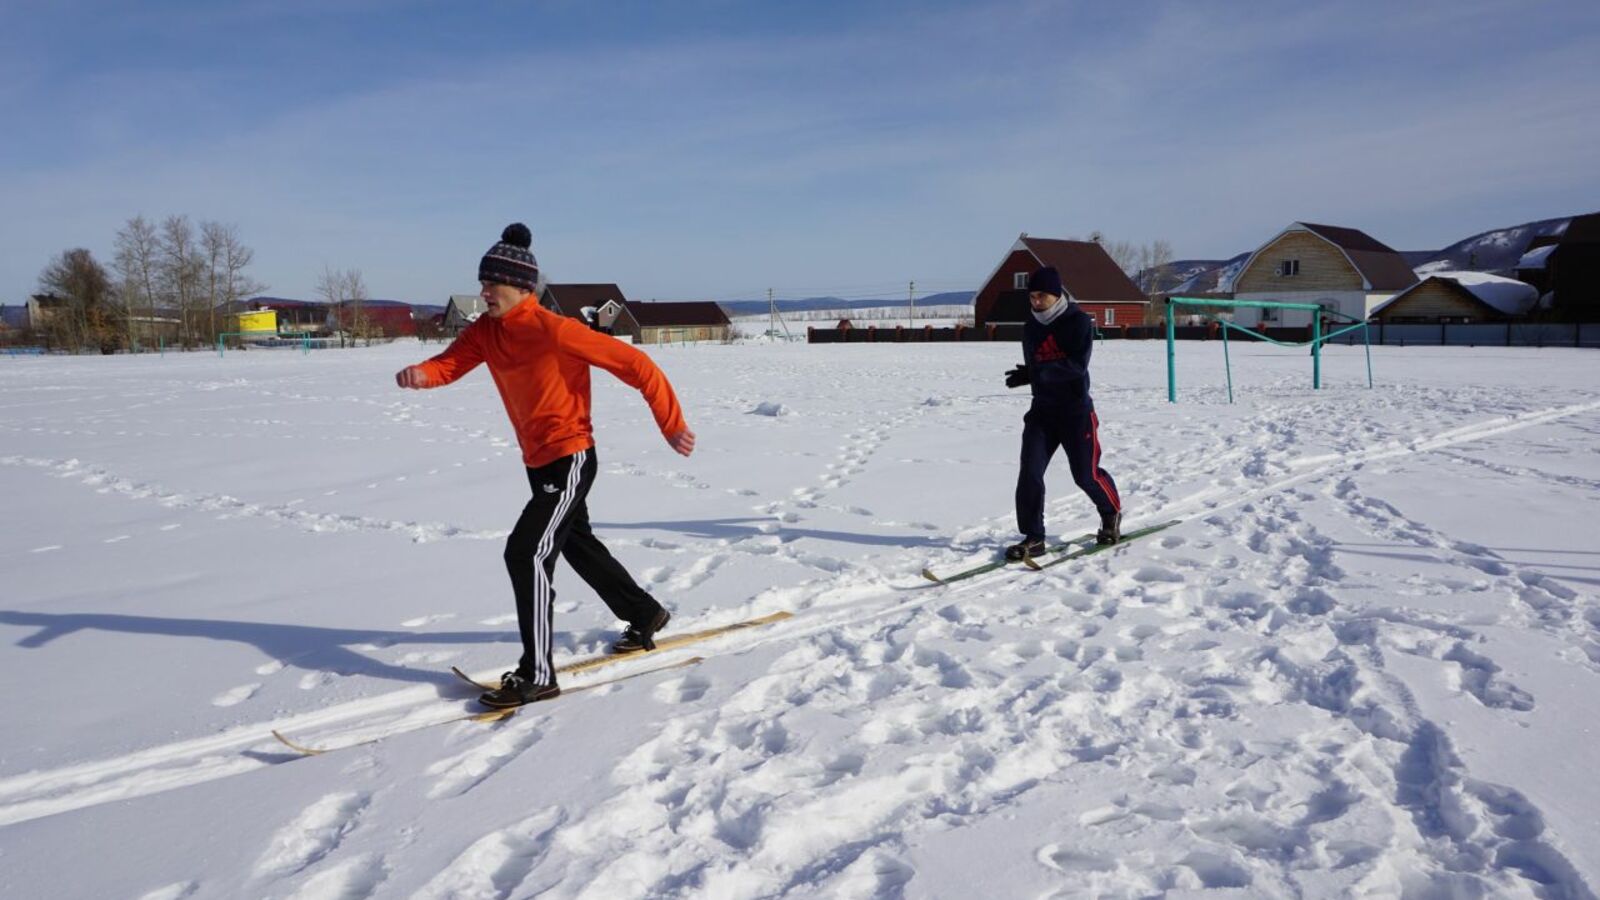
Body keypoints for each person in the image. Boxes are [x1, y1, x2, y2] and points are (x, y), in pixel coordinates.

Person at [396, 223, 696, 707]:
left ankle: (538, 673)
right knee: (576, 543)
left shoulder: (556, 330)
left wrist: (671, 423)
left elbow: (638, 367)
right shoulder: (486, 333)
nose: (484, 292)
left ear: (521, 287)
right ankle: (645, 613)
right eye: (482, 283)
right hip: (537, 460)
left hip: (571, 455)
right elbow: (449, 365)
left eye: (492, 284)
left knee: (527, 552)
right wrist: (420, 375)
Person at [1002, 265, 1122, 561]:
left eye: (1042, 295)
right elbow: (1040, 367)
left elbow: (1076, 366)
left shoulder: (1077, 321)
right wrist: (1030, 375)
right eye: (1032, 296)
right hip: (1042, 412)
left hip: (1076, 412)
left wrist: (1037, 373)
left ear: (1056, 295)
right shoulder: (1030, 327)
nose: (1036, 301)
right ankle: (1034, 537)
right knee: (1029, 473)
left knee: (1085, 475)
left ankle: (1111, 514)